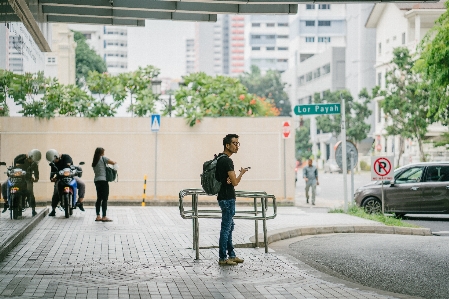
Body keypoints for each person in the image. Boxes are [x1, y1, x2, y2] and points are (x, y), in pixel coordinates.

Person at [215, 134, 248, 266]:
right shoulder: (227, 161)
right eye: (234, 143)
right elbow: (234, 182)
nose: (236, 146)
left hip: (223, 197)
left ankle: (232, 255)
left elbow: (226, 180)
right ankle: (223, 258)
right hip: (227, 198)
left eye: (237, 143)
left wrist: (230, 179)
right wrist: (241, 174)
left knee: (229, 226)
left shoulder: (219, 159)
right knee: (226, 228)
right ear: (227, 145)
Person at [47, 150, 86, 216]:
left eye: (54, 160)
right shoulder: (53, 163)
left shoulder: (67, 157)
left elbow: (67, 168)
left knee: (82, 184)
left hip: (71, 177)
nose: (54, 161)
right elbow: (52, 172)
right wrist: (51, 178)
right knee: (56, 191)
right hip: (60, 179)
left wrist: (56, 177)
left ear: (57, 156)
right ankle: (53, 209)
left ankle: (80, 202)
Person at [2, 151, 40, 216]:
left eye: (33, 158)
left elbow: (36, 173)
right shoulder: (21, 160)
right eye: (30, 157)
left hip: (26, 179)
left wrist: (36, 178)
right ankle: (6, 202)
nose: (31, 159)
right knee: (4, 185)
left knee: (30, 191)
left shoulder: (34, 164)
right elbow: (16, 159)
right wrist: (25, 155)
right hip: (14, 178)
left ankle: (33, 209)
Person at [92, 147, 116, 222]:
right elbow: (114, 162)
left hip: (97, 181)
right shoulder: (103, 158)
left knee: (99, 198)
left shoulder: (94, 160)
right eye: (103, 152)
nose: (104, 153)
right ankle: (104, 216)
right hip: (103, 181)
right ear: (101, 152)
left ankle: (98, 216)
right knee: (105, 198)